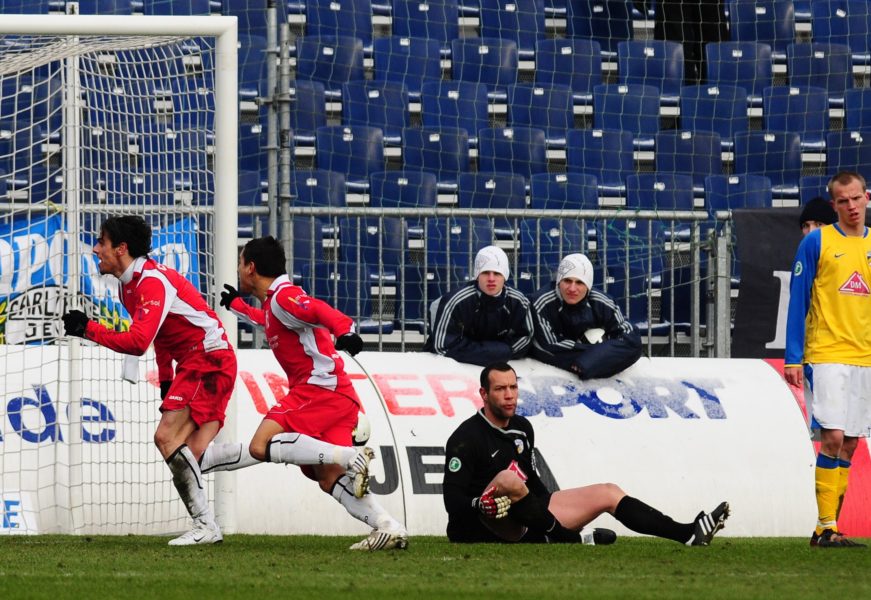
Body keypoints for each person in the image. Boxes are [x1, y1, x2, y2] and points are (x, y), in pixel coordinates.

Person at [218, 236, 408, 551]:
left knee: (260, 444)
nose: (238, 268)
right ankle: (389, 526)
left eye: (240, 262)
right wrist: (236, 305)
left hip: (318, 389)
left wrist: (346, 330)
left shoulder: (284, 297)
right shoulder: (276, 303)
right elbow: (267, 321)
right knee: (326, 475)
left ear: (251, 268)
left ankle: (351, 457)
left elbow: (319, 310)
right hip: (338, 394)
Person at [62, 215, 241, 546]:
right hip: (199, 362)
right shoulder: (127, 285)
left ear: (121, 248)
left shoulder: (151, 282)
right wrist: (166, 379)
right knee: (193, 456)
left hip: (209, 360)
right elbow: (159, 336)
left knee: (165, 437)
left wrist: (87, 328)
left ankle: (206, 526)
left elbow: (139, 340)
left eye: (101, 242)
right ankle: (274, 449)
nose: (95, 248)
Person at [442, 362, 730, 546]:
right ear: (483, 394)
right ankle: (568, 539)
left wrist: (551, 509)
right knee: (507, 480)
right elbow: (452, 502)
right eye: (500, 389)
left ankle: (687, 533)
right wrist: (480, 504)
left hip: (528, 520)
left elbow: (533, 482)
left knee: (607, 491)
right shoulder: (466, 438)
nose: (509, 395)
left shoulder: (522, 427)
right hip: (479, 528)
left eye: (514, 387)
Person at [784, 170, 871, 549]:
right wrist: (793, 357)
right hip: (827, 354)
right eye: (843, 201)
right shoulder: (818, 241)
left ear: (867, 197)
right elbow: (798, 299)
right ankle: (825, 526)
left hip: (865, 358)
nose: (851, 206)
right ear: (834, 205)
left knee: (850, 443)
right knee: (832, 437)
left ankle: (829, 528)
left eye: (856, 198)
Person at [529, 253, 642, 379]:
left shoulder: (602, 301)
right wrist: (600, 353)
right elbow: (549, 345)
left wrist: (592, 356)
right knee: (545, 351)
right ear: (558, 281)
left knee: (634, 347)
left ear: (588, 285)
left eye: (579, 283)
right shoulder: (540, 301)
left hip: (583, 355)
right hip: (559, 354)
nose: (572, 288)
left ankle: (585, 367)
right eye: (567, 281)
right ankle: (591, 366)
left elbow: (630, 337)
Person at [424, 245, 533, 366]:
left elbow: (525, 339)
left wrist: (493, 353)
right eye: (486, 273)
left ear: (505, 276)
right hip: (453, 367)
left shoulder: (519, 301)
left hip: (487, 363)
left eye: (497, 273)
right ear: (477, 275)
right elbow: (442, 346)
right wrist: (496, 352)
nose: (491, 279)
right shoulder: (455, 302)